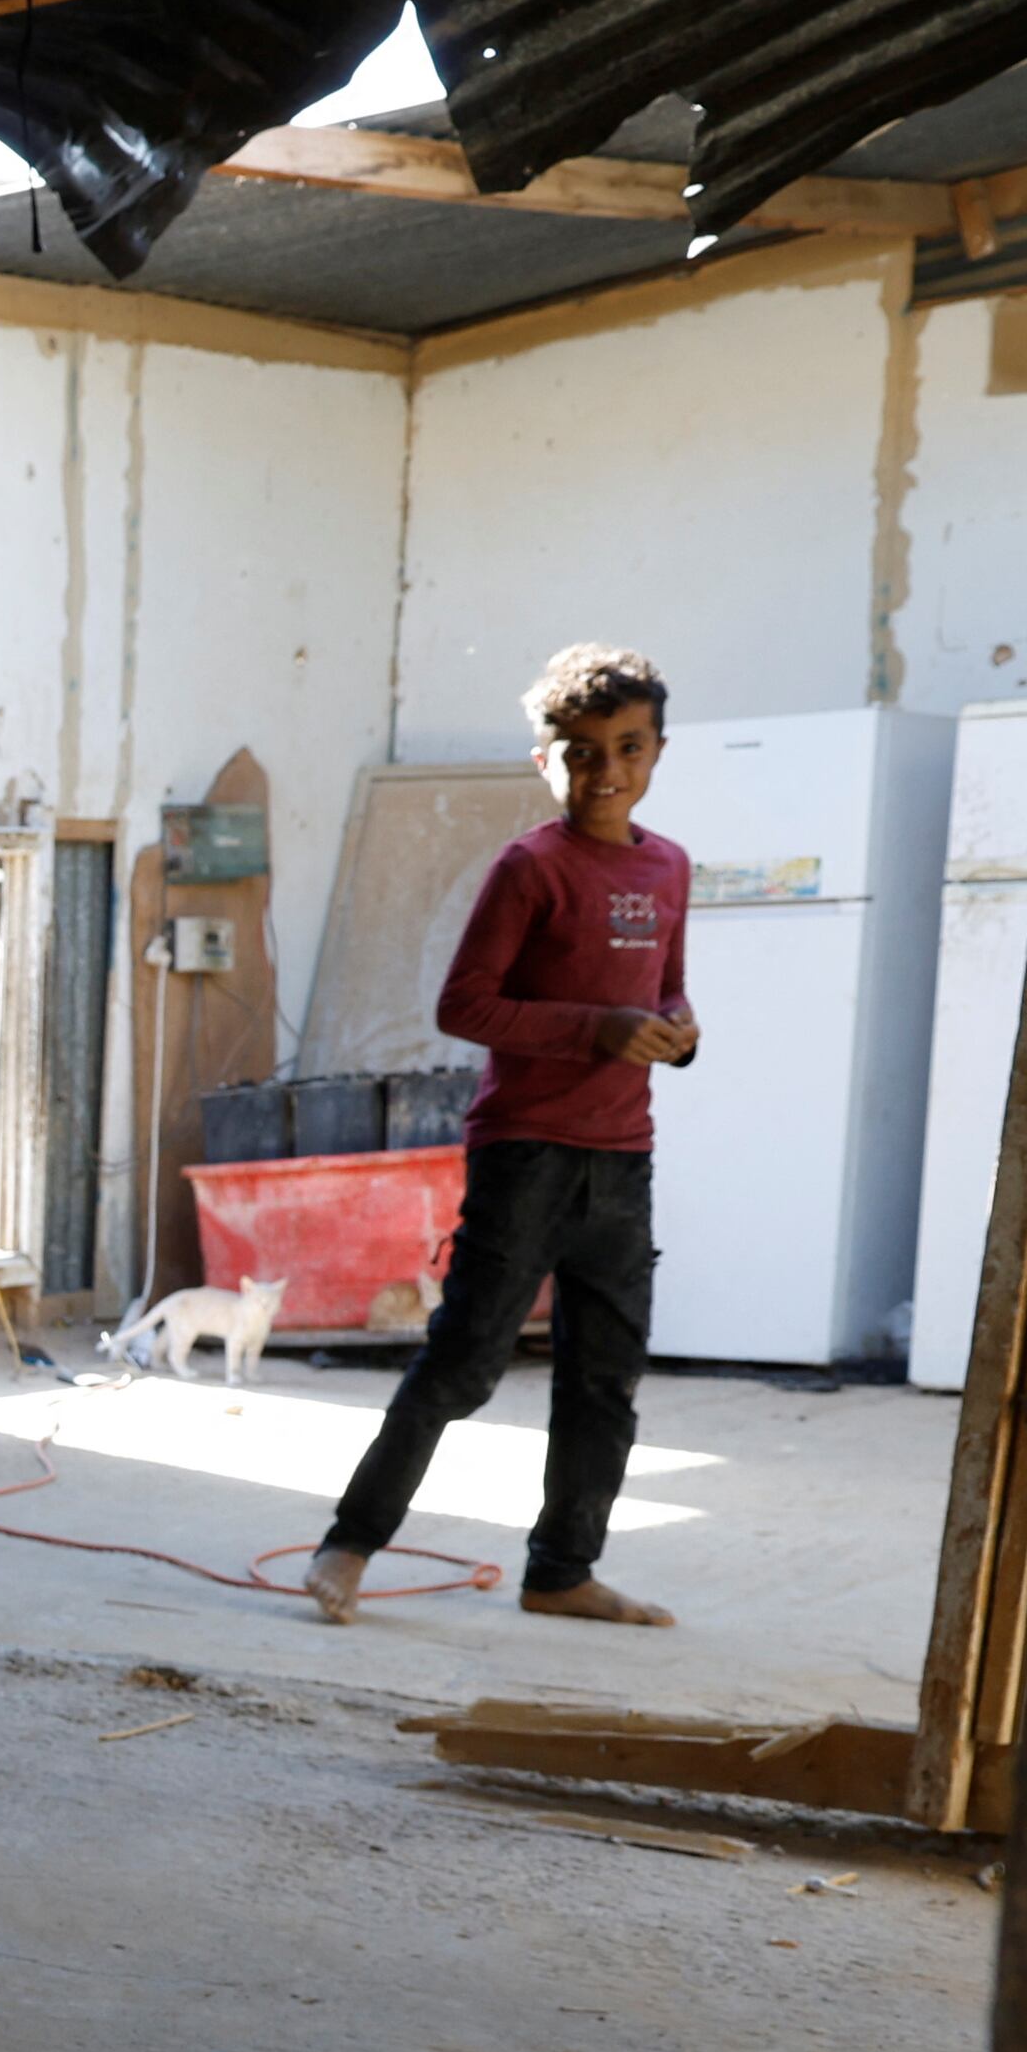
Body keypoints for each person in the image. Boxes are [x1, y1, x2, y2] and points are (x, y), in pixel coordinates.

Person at [304, 642, 696, 1629]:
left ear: (656, 750)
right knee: (466, 1361)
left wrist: (676, 1032)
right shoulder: (528, 867)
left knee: (603, 1378)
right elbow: (464, 1004)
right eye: (578, 753)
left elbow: (665, 984)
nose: (604, 772)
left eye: (626, 748)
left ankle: (560, 1572)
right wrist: (591, 1031)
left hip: (622, 1159)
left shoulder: (669, 866)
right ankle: (346, 1547)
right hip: (523, 1152)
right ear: (544, 760)